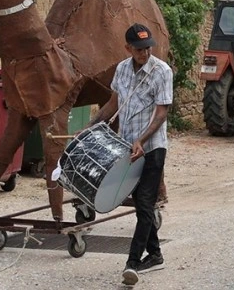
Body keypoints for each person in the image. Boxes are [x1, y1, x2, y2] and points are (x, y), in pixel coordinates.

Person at [86, 23, 173, 286]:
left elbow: (161, 112)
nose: (144, 54)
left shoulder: (162, 71)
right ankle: (155, 254)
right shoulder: (122, 69)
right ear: (128, 48)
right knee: (139, 201)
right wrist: (89, 128)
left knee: (145, 202)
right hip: (128, 147)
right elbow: (113, 104)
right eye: (139, 49)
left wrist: (142, 140)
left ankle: (132, 262)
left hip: (153, 146)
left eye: (148, 48)